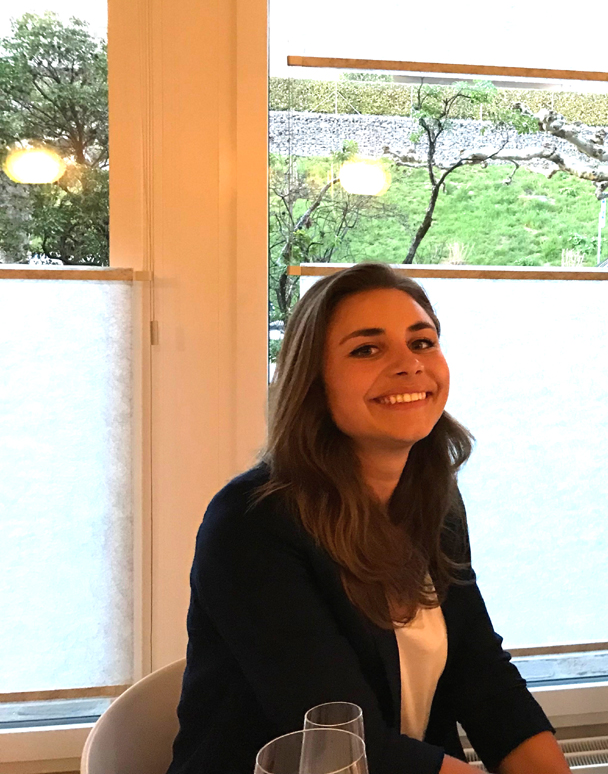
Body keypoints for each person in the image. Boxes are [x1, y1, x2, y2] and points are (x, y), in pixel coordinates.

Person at [168, 264, 570, 774]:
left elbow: (483, 676)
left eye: (422, 343)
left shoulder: (434, 498)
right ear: (314, 382)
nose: (410, 365)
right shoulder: (248, 526)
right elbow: (343, 741)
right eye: (367, 349)